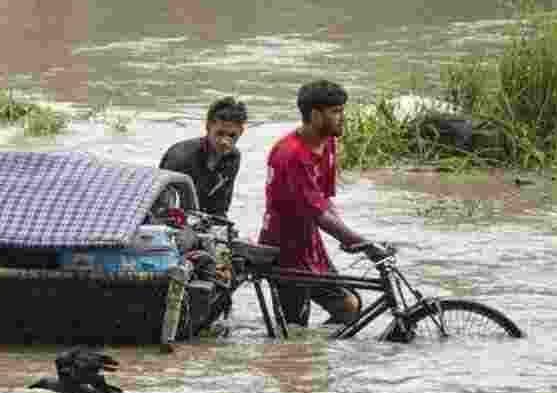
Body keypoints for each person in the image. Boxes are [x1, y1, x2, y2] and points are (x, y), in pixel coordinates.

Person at [259, 80, 388, 328]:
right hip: (285, 249)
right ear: (316, 115)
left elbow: (324, 200)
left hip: (310, 242)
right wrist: (363, 244)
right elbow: (317, 212)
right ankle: (290, 361)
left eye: (342, 110)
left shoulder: (327, 142)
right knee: (294, 326)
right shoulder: (292, 154)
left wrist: (351, 238)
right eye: (336, 112)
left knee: (348, 306)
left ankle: (320, 353)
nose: (342, 118)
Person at [158, 97, 248, 219]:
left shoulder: (233, 158)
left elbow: (220, 208)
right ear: (208, 127)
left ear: (241, 132)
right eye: (220, 133)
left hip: (200, 218)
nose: (225, 142)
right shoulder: (181, 158)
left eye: (232, 136)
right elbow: (164, 208)